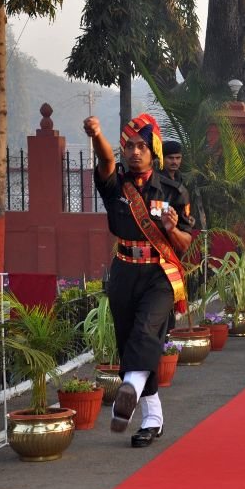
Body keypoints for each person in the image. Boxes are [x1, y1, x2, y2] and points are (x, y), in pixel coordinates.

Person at [84, 113, 193, 448]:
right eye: (128, 145)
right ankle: (153, 419)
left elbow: (186, 243)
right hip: (124, 271)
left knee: (146, 332)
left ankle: (128, 388)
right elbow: (104, 157)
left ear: (153, 150)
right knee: (129, 339)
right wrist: (97, 134)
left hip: (159, 274)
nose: (134, 152)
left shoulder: (174, 191)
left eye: (141, 146)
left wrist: (173, 228)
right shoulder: (115, 182)